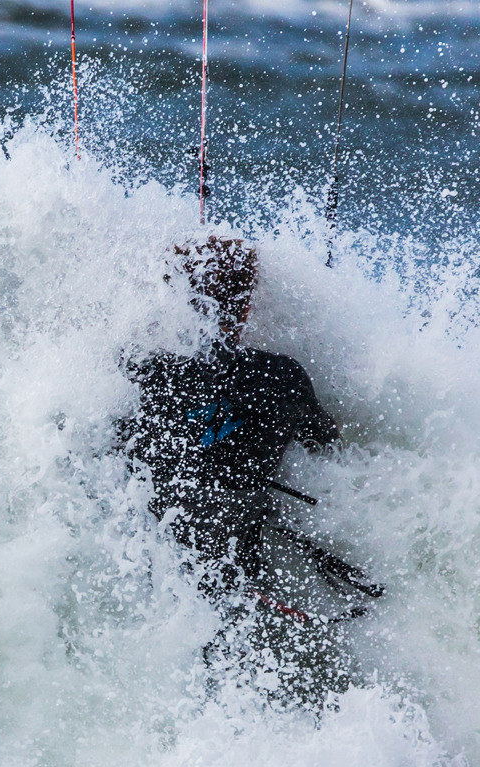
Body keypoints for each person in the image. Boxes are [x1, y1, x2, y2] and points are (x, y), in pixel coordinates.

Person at [121, 236, 339, 596]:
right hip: (243, 569)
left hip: (149, 568)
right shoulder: (283, 376)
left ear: (173, 297)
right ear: (246, 305)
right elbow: (326, 447)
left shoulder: (141, 371)